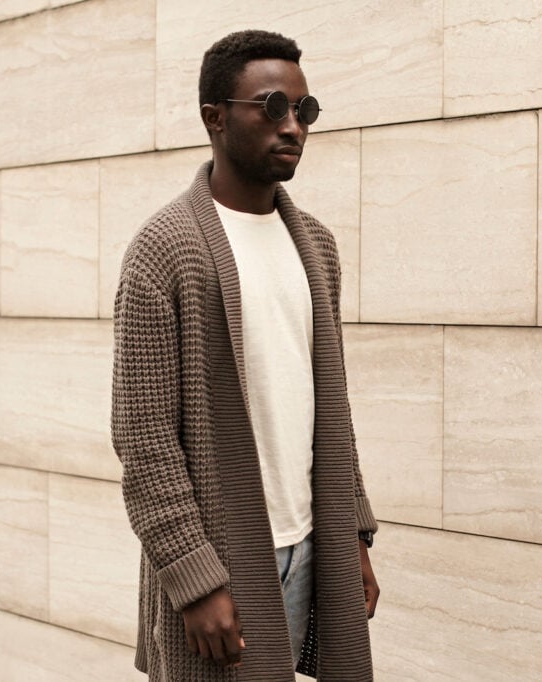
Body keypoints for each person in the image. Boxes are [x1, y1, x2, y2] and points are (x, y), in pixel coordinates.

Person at [111, 29, 379, 681]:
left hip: (313, 547)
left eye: (305, 111)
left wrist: (355, 533)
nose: (293, 127)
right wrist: (193, 578)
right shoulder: (163, 251)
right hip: (223, 561)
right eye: (273, 107)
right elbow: (143, 439)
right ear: (215, 117)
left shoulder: (317, 247)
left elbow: (330, 405)